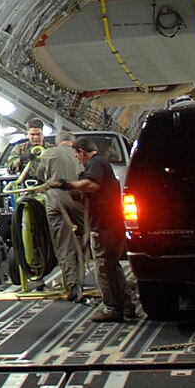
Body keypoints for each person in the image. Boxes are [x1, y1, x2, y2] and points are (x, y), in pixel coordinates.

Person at [45, 137, 137, 323]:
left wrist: (66, 184)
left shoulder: (96, 162)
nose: (78, 160)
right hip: (110, 223)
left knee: (103, 266)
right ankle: (126, 305)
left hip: (104, 225)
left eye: (77, 155)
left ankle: (112, 308)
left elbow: (92, 185)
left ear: (82, 151)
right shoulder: (101, 163)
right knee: (112, 265)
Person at [36, 134, 86, 301]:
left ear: (58, 143)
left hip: (53, 200)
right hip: (76, 197)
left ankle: (73, 286)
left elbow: (41, 175)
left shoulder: (48, 153)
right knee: (93, 235)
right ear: (73, 142)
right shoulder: (78, 153)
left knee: (63, 244)